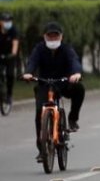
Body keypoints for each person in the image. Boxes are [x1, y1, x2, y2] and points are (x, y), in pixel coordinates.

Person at [22, 22, 86, 162]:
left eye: (55, 36)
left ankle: (72, 118)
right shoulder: (39, 49)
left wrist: (76, 74)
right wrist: (28, 73)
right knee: (40, 112)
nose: (52, 39)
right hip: (44, 84)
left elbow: (74, 61)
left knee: (79, 89)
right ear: (44, 37)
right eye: (49, 36)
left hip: (63, 83)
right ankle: (42, 148)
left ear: (61, 37)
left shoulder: (66, 49)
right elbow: (32, 62)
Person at [0, 12, 20, 105]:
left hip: (9, 56)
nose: (7, 22)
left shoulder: (13, 31)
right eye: (5, 21)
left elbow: (15, 45)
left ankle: (9, 94)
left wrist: (13, 54)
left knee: (10, 75)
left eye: (9, 21)